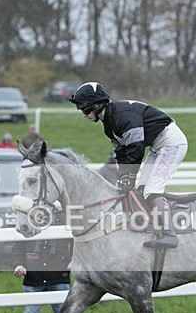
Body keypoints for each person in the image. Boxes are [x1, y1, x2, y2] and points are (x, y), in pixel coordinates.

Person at [69, 81, 188, 249]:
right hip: (157, 146)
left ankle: (169, 234)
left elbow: (136, 147)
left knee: (152, 190)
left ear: (97, 105)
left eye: (85, 109)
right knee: (142, 189)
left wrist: (129, 176)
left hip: (171, 143)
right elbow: (121, 153)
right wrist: (124, 176)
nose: (83, 114)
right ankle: (155, 227)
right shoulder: (109, 125)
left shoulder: (122, 116)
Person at [12, 205, 74, 313]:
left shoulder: (65, 221)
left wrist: (74, 260)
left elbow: (76, 242)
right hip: (33, 277)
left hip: (59, 275)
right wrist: (19, 264)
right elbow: (18, 247)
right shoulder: (27, 223)